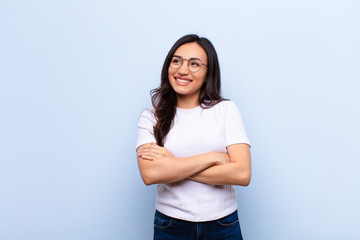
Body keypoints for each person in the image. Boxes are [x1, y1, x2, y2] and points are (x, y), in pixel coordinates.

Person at [136, 34, 251, 240]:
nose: (182, 70)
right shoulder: (151, 116)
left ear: (208, 73)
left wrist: (172, 166)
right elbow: (150, 175)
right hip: (170, 225)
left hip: (223, 225)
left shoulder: (226, 110)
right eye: (176, 61)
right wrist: (213, 157)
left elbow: (242, 174)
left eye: (194, 64)